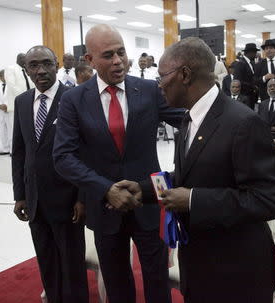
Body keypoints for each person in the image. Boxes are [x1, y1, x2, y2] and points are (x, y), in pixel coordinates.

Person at [119, 37, 275, 303]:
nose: (159, 84)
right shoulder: (189, 118)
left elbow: (271, 200)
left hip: (236, 273)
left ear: (185, 75)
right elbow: (188, 177)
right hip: (199, 265)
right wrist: (143, 189)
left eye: (162, 76)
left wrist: (194, 200)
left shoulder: (243, 122)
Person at [52, 24, 184, 303]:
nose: (118, 61)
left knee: (157, 275)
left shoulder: (148, 89)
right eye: (108, 55)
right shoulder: (74, 100)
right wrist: (104, 188)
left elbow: (189, 117)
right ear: (89, 60)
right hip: (104, 202)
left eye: (121, 52)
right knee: (116, 279)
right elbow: (63, 157)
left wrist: (243, 130)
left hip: (152, 193)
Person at [12, 45, 88, 303]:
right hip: (34, 200)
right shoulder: (22, 101)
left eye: (46, 63)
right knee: (46, 260)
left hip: (67, 200)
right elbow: (20, 152)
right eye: (34, 65)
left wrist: (82, 197)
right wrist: (20, 195)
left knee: (72, 264)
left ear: (57, 64)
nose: (41, 70)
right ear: (26, 69)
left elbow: (86, 152)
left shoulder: (76, 97)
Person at [4, 53, 34, 152]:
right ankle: (14, 151)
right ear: (19, 59)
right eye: (24, 59)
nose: (26, 61)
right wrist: (25, 97)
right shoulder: (11, 68)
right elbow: (12, 85)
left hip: (28, 102)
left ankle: (25, 148)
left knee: (25, 127)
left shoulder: (26, 71)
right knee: (14, 128)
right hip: (15, 104)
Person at [233, 43, 259, 109]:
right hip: (244, 97)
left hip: (251, 96)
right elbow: (237, 81)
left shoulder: (252, 63)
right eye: (255, 52)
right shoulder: (240, 64)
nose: (256, 54)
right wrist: (253, 86)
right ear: (250, 52)